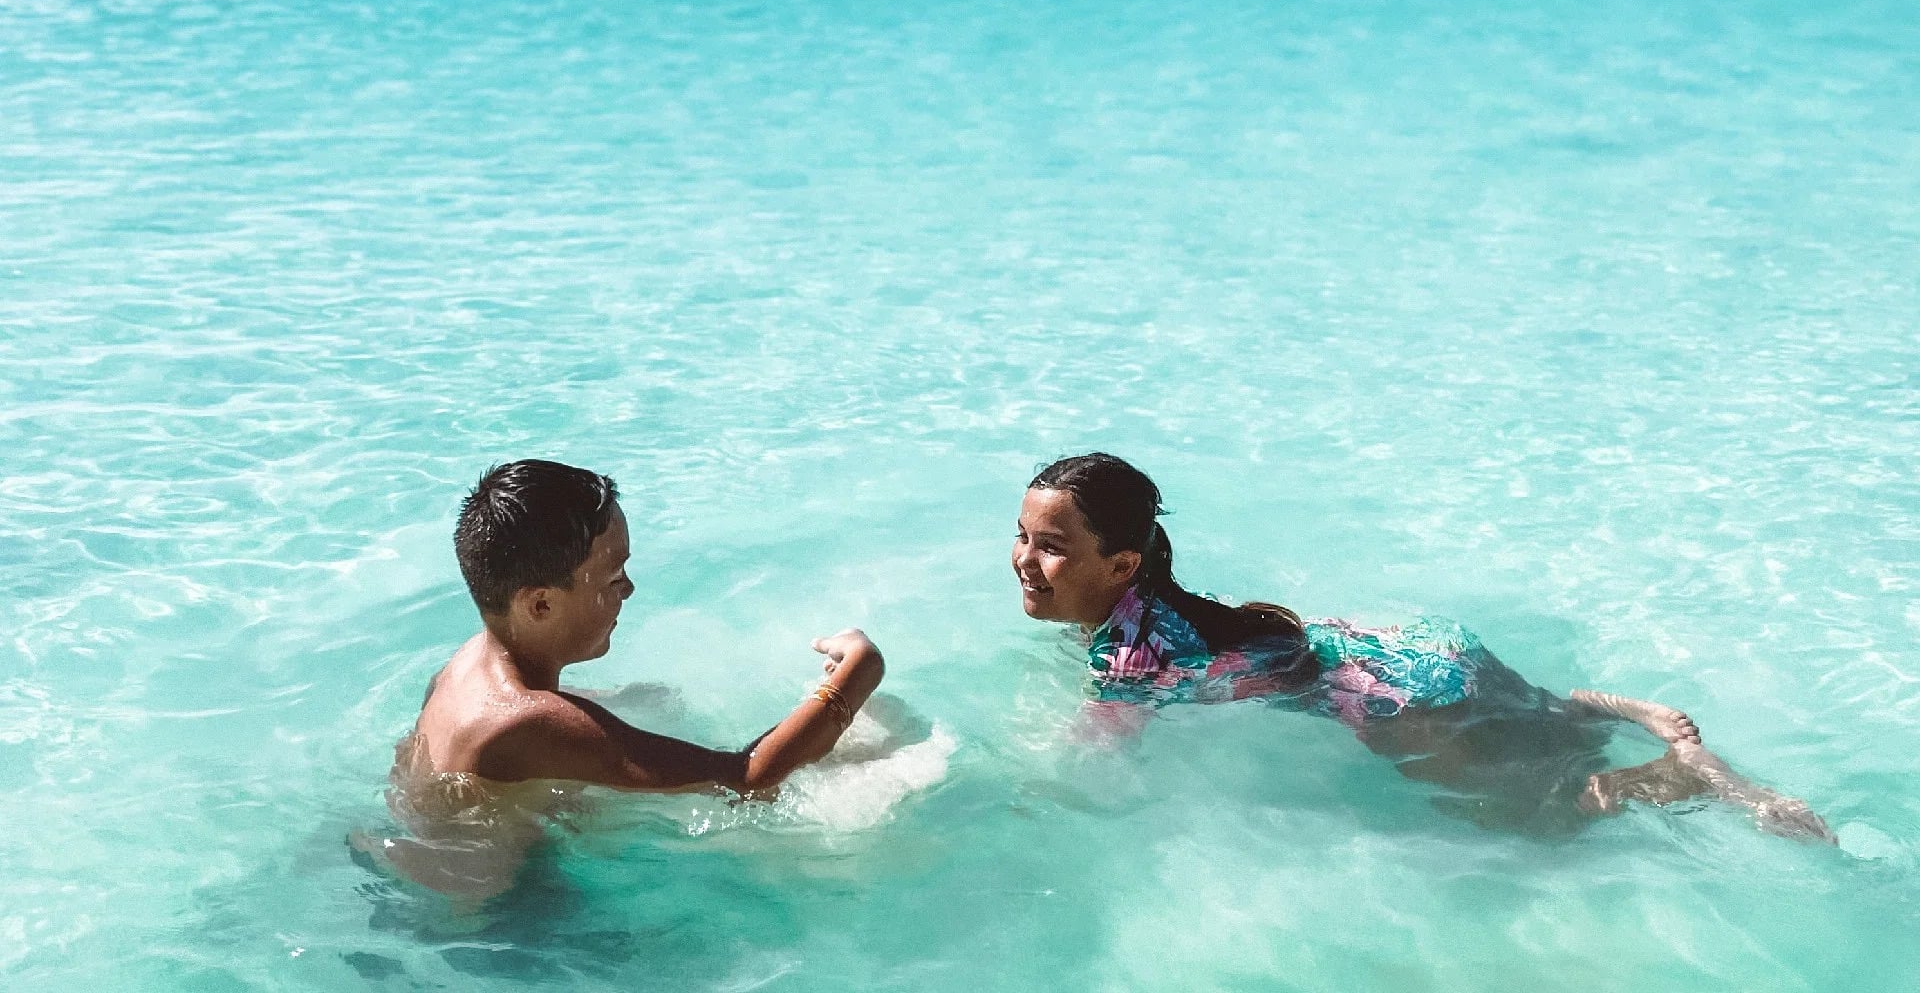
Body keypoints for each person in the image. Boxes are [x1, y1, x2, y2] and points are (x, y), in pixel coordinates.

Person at [1011, 452, 1832, 840]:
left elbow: (1094, 765)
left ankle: (1672, 776)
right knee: (1546, 724)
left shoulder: (1125, 658)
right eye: (1020, 536)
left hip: (1392, 700)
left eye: (1051, 546)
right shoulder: (1185, 602)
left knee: (1533, 822)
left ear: (1121, 563)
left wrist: (1039, 791)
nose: (1024, 560)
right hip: (1413, 645)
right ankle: (1613, 710)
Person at [356, 459, 885, 898]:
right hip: (507, 926)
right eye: (612, 577)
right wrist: (856, 676)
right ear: (540, 603)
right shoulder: (532, 719)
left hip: (442, 873)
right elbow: (750, 779)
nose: (628, 590)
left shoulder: (469, 663)